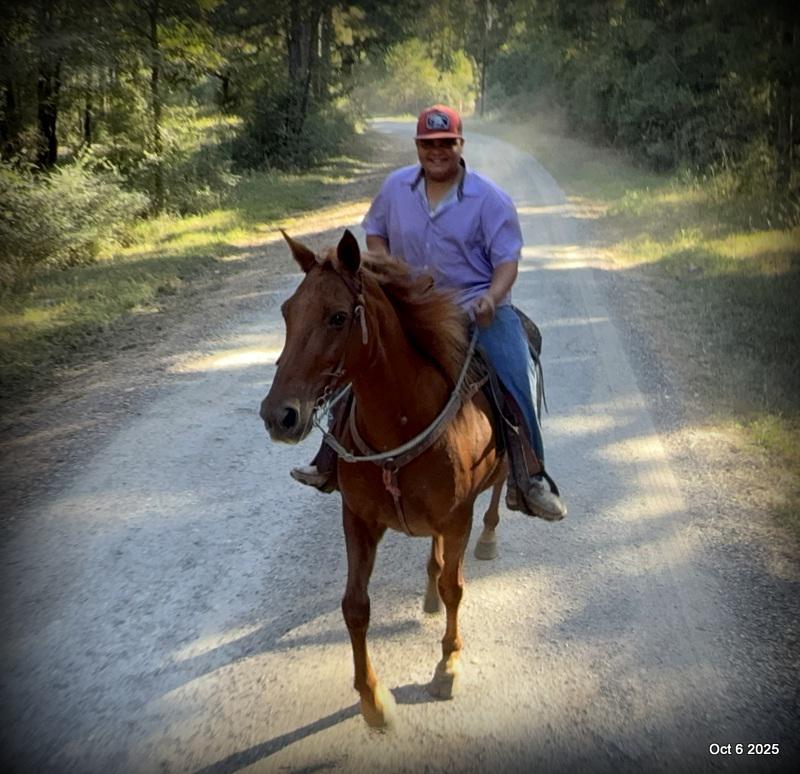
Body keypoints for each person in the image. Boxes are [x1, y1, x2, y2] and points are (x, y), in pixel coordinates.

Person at [292, 104, 566, 520]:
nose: (436, 151)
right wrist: (388, 270)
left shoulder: (490, 199)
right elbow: (376, 234)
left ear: (460, 145)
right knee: (356, 351)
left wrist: (492, 297)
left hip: (473, 309)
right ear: (418, 147)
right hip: (410, 308)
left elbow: (507, 261)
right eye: (428, 144)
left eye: (445, 143)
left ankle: (529, 477)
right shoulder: (395, 188)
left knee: (515, 370)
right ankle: (329, 457)